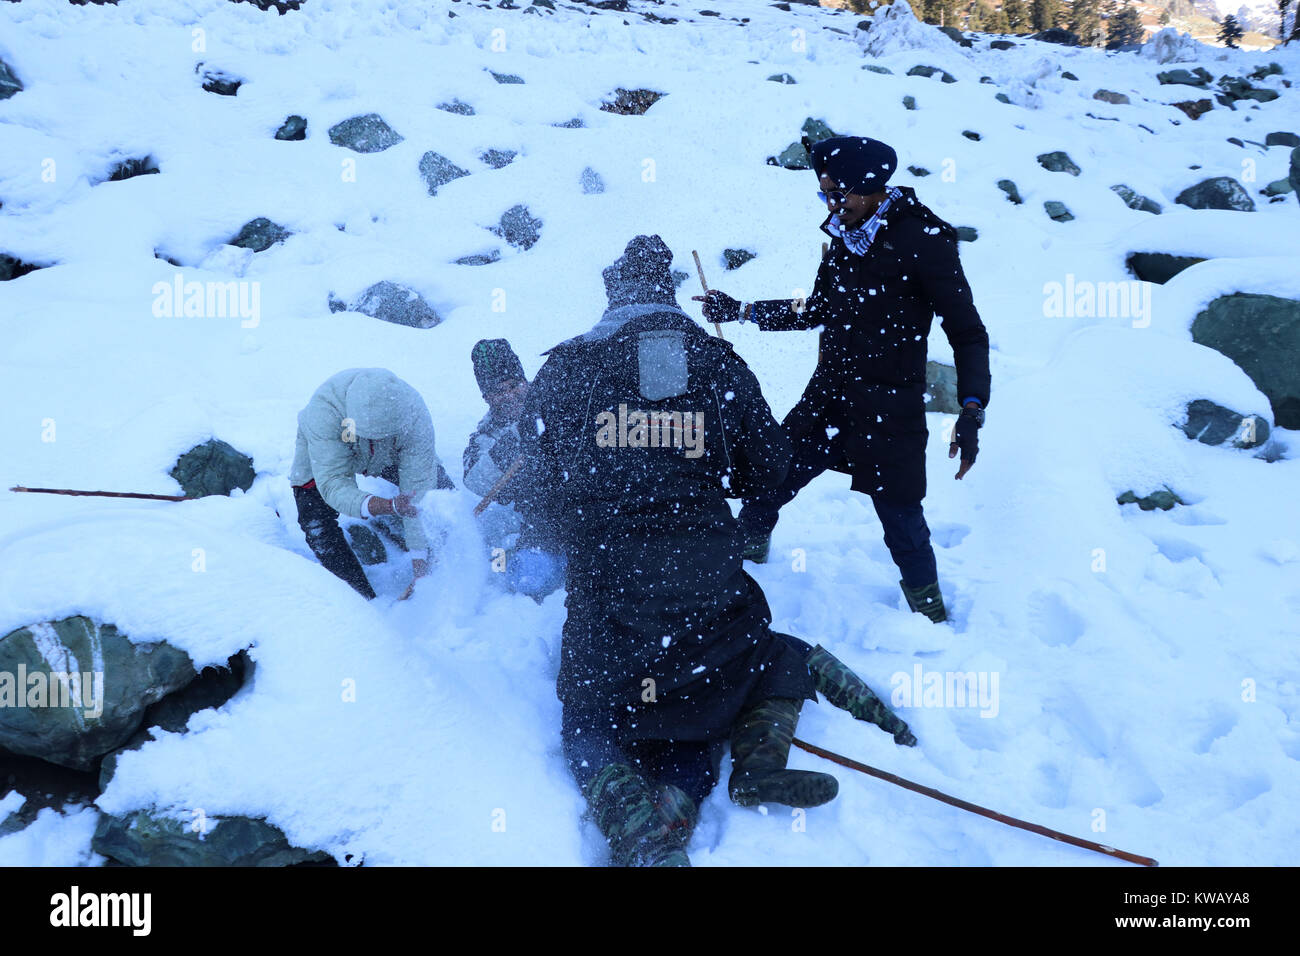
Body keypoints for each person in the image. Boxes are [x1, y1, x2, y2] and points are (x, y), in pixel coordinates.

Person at [514, 235, 839, 867]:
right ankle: (675, 805)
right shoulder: (718, 363)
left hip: (611, 591)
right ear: (668, 297)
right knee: (702, 703)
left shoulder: (565, 369)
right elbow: (770, 472)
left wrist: (578, 520)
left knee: (588, 713)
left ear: (613, 295)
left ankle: (628, 817)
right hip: (707, 592)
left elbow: (541, 486)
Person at [697, 135, 991, 623]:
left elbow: (968, 331)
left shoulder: (925, 241)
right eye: (825, 194)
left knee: (901, 516)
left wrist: (972, 407)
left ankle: (931, 615)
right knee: (769, 479)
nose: (833, 206)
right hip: (829, 398)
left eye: (842, 194)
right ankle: (747, 567)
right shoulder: (844, 237)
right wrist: (744, 310)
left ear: (874, 188)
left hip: (889, 409)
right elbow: (820, 308)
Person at [289, 367, 454, 600]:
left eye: (385, 435)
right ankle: (361, 601)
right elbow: (333, 484)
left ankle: (444, 560)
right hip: (333, 448)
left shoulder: (413, 415)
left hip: (388, 455)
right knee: (316, 523)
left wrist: (420, 564)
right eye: (371, 435)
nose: (377, 439)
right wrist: (385, 505)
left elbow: (419, 493)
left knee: (441, 498)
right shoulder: (324, 413)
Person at [462, 339, 565, 599]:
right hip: (538, 529)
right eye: (498, 391)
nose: (509, 395)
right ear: (486, 398)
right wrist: (520, 433)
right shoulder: (484, 438)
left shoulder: (560, 406)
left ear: (526, 382)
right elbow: (474, 481)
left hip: (587, 512)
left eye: (514, 385)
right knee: (529, 579)